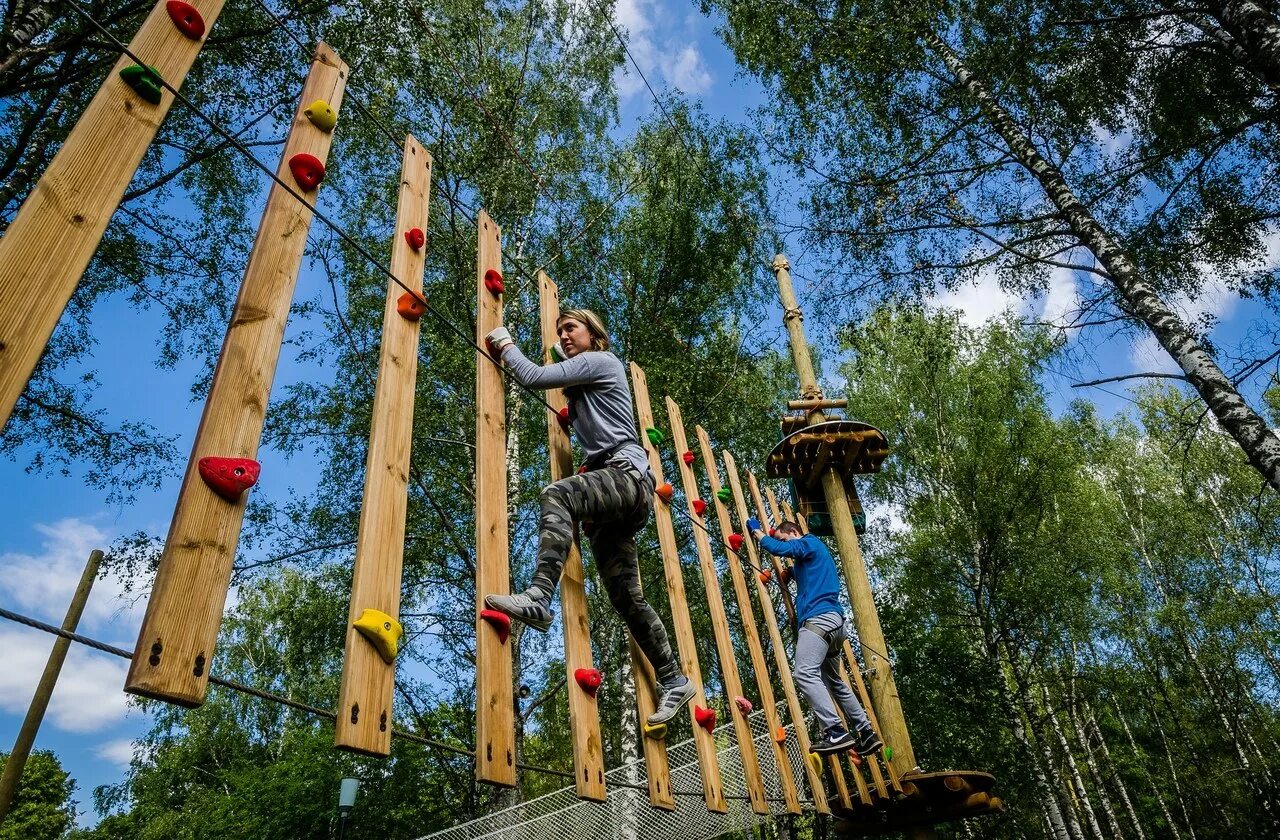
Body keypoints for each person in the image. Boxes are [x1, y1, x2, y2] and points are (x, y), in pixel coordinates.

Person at [482, 309, 694, 727]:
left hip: (625, 477)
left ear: (595, 335)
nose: (564, 334)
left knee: (556, 494)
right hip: (618, 497)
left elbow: (533, 376)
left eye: (571, 328)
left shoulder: (602, 361)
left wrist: (505, 343)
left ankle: (539, 597)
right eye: (560, 330)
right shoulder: (584, 386)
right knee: (625, 597)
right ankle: (674, 680)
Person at [747, 516, 884, 755]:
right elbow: (809, 574)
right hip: (834, 625)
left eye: (784, 538)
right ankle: (866, 733)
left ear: (793, 532)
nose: (788, 548)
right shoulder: (812, 556)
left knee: (804, 673)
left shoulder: (809, 542)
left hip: (819, 621)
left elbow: (779, 548)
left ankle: (835, 731)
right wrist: (792, 573)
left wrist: (759, 533)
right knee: (834, 682)